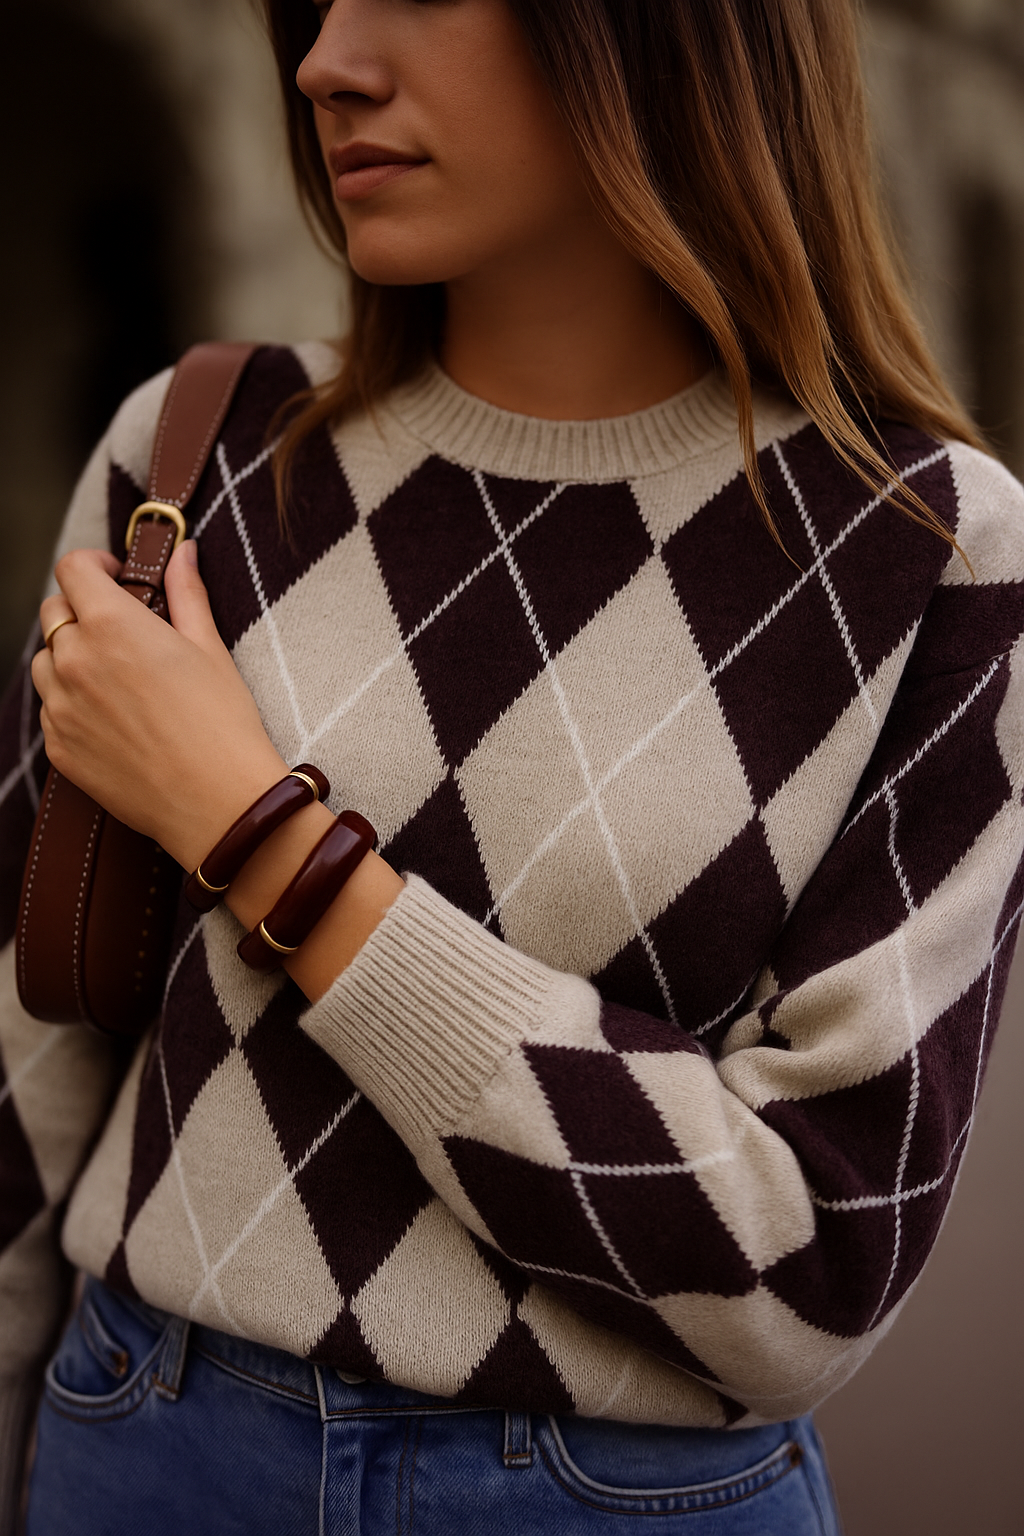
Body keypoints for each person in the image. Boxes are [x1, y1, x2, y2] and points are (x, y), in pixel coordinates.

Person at [2, 0, 1022, 1530]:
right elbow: (26, 1058)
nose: (325, 62)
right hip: (144, 1443)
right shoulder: (197, 452)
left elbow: (809, 1269)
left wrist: (264, 841)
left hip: (613, 1500)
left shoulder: (931, 554)